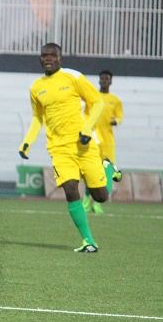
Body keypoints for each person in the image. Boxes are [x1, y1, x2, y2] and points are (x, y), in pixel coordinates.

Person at [18, 43, 122, 253]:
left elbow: (97, 103)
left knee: (101, 196)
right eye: (44, 56)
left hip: (83, 145)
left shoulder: (73, 77)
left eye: (52, 56)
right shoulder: (36, 87)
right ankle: (88, 241)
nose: (48, 59)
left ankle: (108, 169)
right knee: (70, 190)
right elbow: (38, 117)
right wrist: (26, 142)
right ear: (40, 59)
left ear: (60, 59)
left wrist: (86, 128)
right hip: (59, 149)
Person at [82, 70, 124, 214]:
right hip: (94, 140)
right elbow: (86, 113)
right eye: (102, 79)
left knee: (108, 172)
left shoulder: (115, 100)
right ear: (99, 80)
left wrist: (116, 121)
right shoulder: (93, 97)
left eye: (107, 79)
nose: (104, 81)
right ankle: (86, 200)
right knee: (92, 171)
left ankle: (98, 203)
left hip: (108, 141)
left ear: (110, 81)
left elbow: (119, 116)